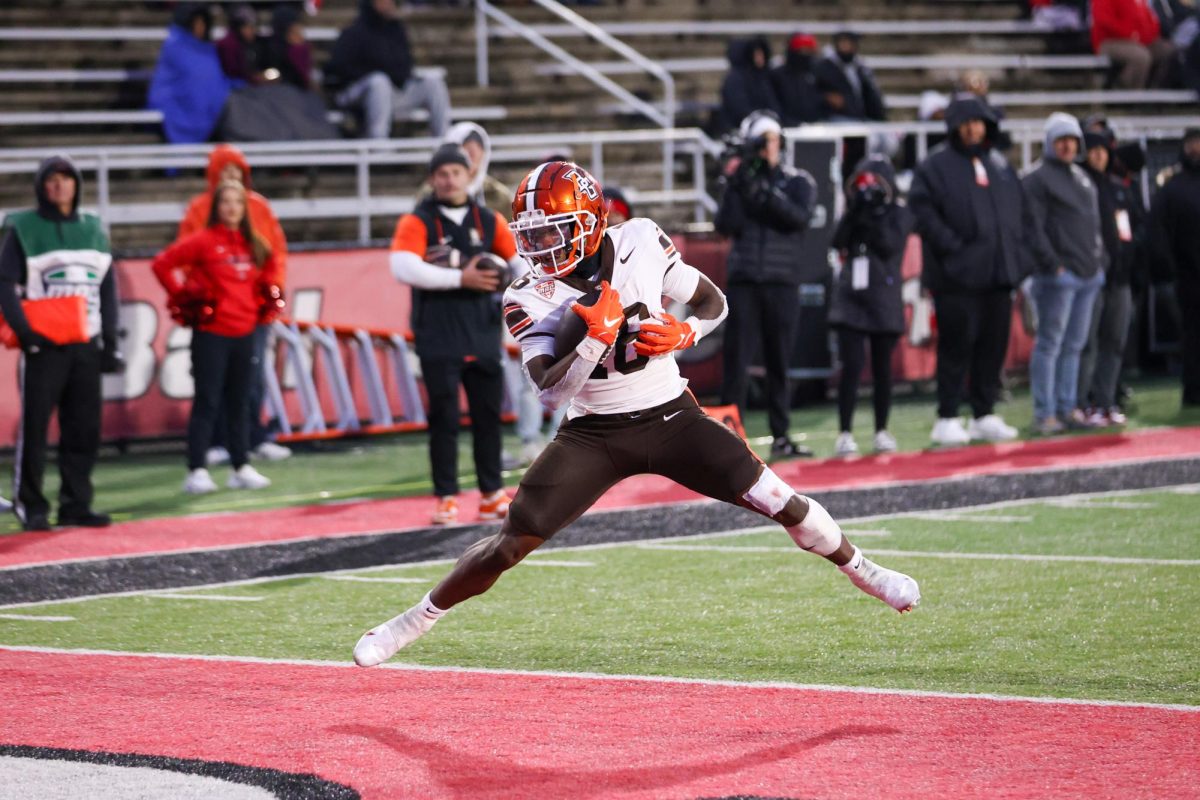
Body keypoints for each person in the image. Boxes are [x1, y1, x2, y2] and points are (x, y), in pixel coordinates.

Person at [351, 161, 921, 667]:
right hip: (592, 433)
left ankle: (863, 569)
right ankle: (414, 620)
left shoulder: (642, 241)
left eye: (553, 231)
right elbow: (549, 392)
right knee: (511, 541)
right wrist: (593, 341)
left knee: (779, 500)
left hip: (671, 414)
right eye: (532, 235)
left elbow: (713, 301)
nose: (542, 247)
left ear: (591, 221)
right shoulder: (526, 293)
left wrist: (684, 332)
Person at [389, 143, 524, 525]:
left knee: (488, 416)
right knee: (444, 419)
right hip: (438, 334)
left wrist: (508, 282)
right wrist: (460, 277)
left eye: (455, 173)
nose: (449, 180)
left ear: (469, 176)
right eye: (442, 174)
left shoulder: (487, 219)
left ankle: (491, 493)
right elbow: (402, 267)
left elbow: (519, 262)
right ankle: (446, 497)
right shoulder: (419, 220)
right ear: (433, 179)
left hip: (481, 332)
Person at [0, 155, 124, 532]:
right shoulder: (23, 227)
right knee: (36, 428)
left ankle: (76, 503)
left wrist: (110, 341)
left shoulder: (92, 228)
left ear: (76, 185)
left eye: (66, 179)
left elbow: (107, 287)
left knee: (84, 427)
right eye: (51, 180)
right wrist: (25, 332)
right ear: (41, 186)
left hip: (85, 342)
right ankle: (31, 504)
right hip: (44, 345)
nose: (59, 186)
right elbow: (4, 283)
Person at [909, 97, 1027, 446]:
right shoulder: (934, 166)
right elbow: (922, 212)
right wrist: (954, 248)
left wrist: (1017, 257)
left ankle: (983, 413)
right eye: (968, 122)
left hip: (997, 275)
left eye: (980, 122)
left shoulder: (1000, 165)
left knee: (993, 346)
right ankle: (947, 416)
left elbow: (1019, 215)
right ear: (955, 126)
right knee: (956, 347)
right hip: (955, 278)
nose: (974, 128)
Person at [152, 181, 280, 494]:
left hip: (245, 332)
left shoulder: (256, 244)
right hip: (211, 334)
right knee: (208, 401)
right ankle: (196, 470)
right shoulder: (203, 241)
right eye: (226, 202)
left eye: (238, 202)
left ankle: (241, 465)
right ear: (216, 208)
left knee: (240, 401)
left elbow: (270, 276)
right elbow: (162, 264)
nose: (232, 207)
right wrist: (184, 297)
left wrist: (262, 306)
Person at [714, 111, 817, 459]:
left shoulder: (797, 180)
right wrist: (737, 185)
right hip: (745, 281)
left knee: (779, 362)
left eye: (772, 140)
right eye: (762, 141)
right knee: (737, 360)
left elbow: (797, 218)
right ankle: (729, 435)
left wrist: (763, 190)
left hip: (781, 282)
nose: (768, 148)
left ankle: (781, 435)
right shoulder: (741, 181)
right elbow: (725, 224)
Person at [179, 144, 291, 464]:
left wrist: (271, 293)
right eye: (224, 172)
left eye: (236, 173)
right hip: (216, 312)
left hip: (251, 308)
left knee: (251, 375)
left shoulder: (260, 209)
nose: (231, 179)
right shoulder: (199, 211)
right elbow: (181, 259)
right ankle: (214, 443)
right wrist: (201, 297)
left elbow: (275, 256)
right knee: (213, 379)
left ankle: (252, 438)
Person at [1023, 112, 1108, 435]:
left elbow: (1094, 224)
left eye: (1072, 140)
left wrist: (1100, 261)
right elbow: (1033, 227)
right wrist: (1052, 265)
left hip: (1088, 273)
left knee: (1074, 345)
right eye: (1061, 140)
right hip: (1058, 276)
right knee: (1050, 343)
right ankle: (1045, 412)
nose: (1067, 146)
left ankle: (1067, 407)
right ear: (1049, 143)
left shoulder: (1082, 177)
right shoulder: (1037, 178)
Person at [828, 156, 913, 457]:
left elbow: (890, 244)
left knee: (882, 369)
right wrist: (856, 210)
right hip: (853, 297)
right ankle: (845, 432)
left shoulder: (899, 212)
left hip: (883, 297)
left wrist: (873, 213)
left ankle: (881, 430)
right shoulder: (854, 210)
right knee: (850, 367)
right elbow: (837, 242)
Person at [1077, 129, 1143, 425]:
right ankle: (1082, 403)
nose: (1098, 154)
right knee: (1087, 343)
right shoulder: (1079, 186)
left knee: (1114, 342)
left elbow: (1138, 228)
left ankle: (1105, 401)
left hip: (1120, 279)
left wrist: (1130, 260)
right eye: (1093, 149)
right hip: (1090, 278)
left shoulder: (1119, 189)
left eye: (1103, 149)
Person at [325, 0, 452, 138]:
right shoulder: (354, 32)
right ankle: (378, 147)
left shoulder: (396, 30)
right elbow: (336, 69)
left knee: (434, 83)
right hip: (359, 94)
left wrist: (395, 75)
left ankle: (444, 143)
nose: (389, 3)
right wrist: (375, 72)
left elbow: (406, 65)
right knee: (379, 81)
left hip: (393, 92)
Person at [1148, 128, 1200, 406]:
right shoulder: (1173, 187)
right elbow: (1158, 232)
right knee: (1192, 337)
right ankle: (1193, 392)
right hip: (1187, 276)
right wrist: (1166, 271)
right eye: (1192, 143)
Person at [147, 3, 236, 144]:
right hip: (184, 111)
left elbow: (215, 80)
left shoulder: (210, 50)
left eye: (203, 23)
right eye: (196, 23)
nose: (200, 28)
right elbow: (164, 86)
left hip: (213, 115)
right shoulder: (175, 48)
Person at [1091, 0, 1178, 88]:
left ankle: (1156, 89)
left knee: (1168, 51)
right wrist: (1130, 33)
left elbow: (1149, 19)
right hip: (1110, 41)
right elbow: (1103, 20)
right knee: (1141, 56)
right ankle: (1125, 91)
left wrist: (1149, 34)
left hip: (1138, 41)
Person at [813, 31, 886, 122]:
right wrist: (826, 97)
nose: (846, 46)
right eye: (843, 42)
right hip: (836, 118)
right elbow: (813, 91)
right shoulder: (824, 67)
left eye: (849, 43)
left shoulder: (860, 68)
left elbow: (869, 95)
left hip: (861, 117)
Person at [715, 36, 780, 135]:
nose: (760, 58)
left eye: (762, 53)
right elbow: (739, 109)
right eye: (757, 54)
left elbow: (773, 104)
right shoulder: (735, 79)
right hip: (741, 129)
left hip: (764, 126)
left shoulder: (764, 77)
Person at [770, 32, 824, 126]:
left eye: (809, 51)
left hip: (815, 124)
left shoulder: (815, 73)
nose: (806, 55)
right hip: (788, 125)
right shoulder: (778, 75)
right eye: (803, 50)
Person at [263, 5, 316, 91]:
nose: (300, 36)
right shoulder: (272, 49)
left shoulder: (300, 49)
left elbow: (304, 77)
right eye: (293, 31)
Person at [217, 4, 269, 84]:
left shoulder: (247, 43)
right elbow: (233, 73)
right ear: (238, 28)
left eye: (253, 27)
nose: (252, 31)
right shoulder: (229, 45)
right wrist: (254, 78)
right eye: (248, 27)